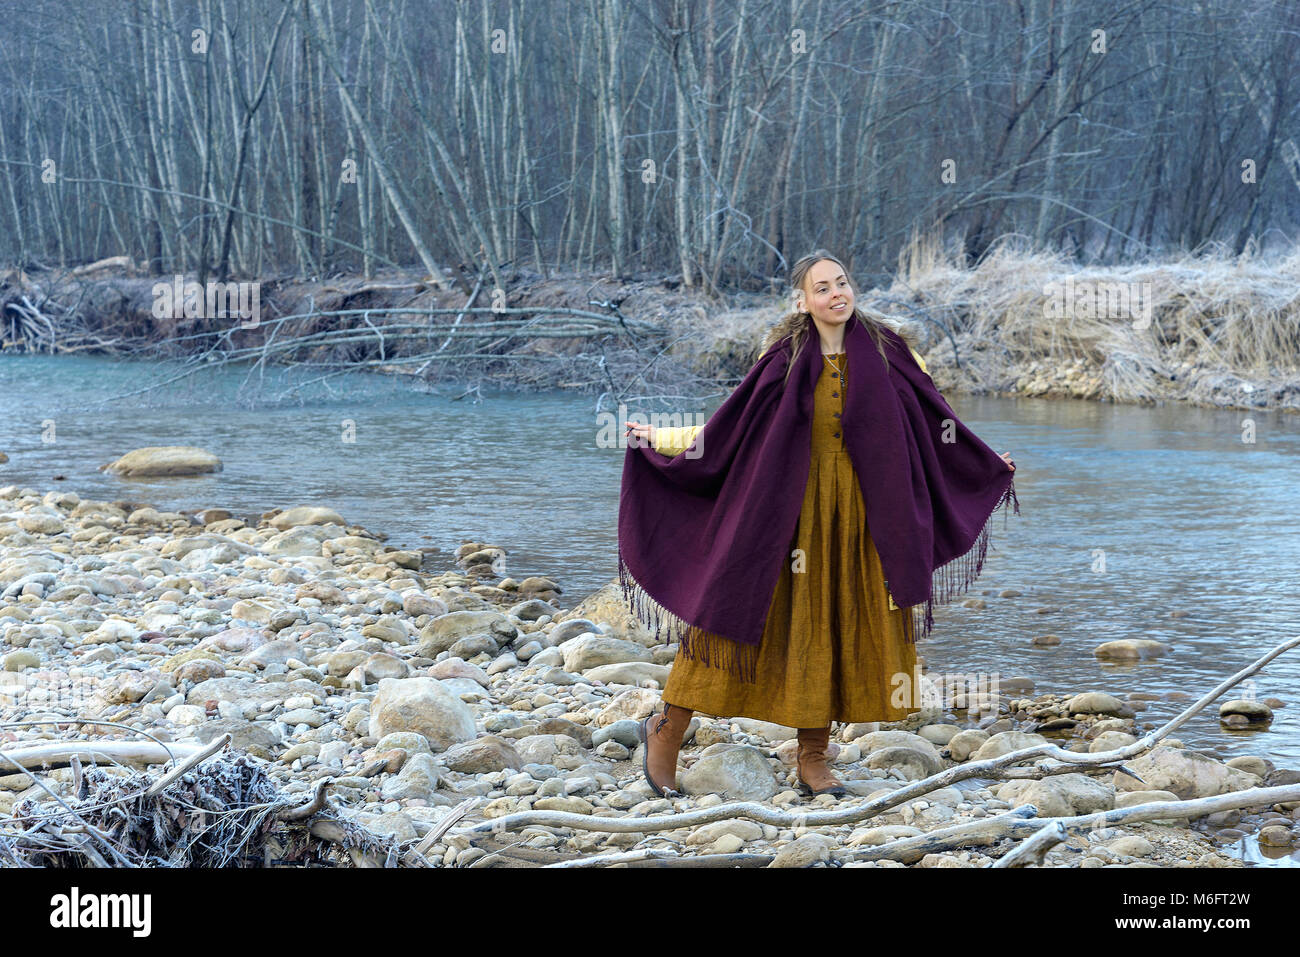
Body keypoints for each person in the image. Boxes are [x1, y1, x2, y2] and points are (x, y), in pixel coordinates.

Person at [622, 251, 1016, 799]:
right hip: (780, 515)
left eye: (842, 283)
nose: (837, 294)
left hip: (862, 517)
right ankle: (666, 730)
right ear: (803, 301)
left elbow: (936, 427)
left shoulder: (893, 353)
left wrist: (984, 465)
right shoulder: (783, 357)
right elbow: (731, 427)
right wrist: (659, 440)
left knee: (832, 625)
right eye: (822, 288)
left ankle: (813, 757)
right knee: (729, 614)